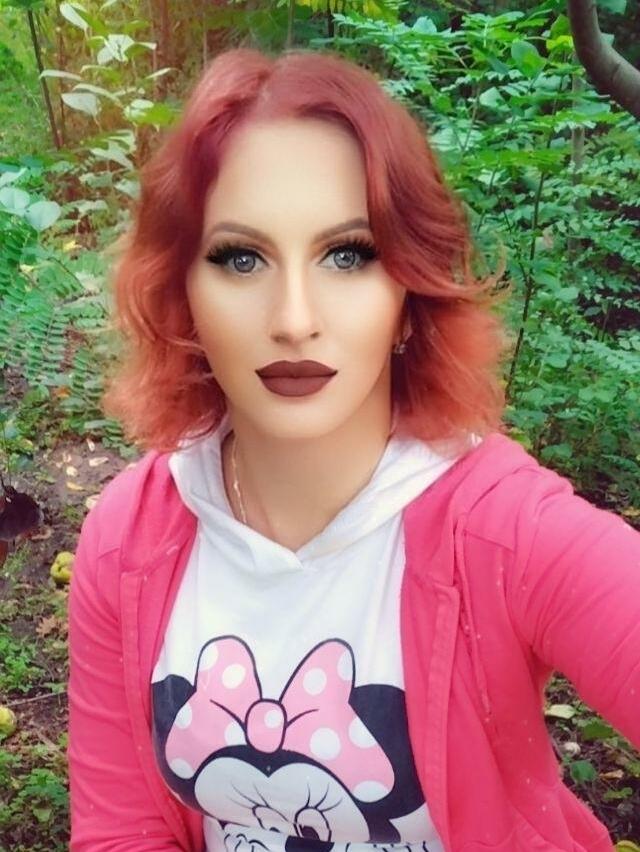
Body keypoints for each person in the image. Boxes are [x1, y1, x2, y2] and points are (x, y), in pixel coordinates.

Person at [67, 46, 640, 852]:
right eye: (240, 258)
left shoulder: (505, 532)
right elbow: (122, 831)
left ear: (408, 294)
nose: (294, 319)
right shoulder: (128, 539)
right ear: (184, 296)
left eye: (348, 255)